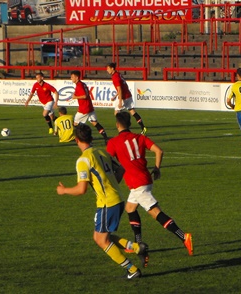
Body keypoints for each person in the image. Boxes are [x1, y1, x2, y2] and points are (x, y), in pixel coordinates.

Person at [55, 123, 147, 279]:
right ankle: (137, 247)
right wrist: (111, 183)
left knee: (101, 240)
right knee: (102, 237)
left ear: (76, 140)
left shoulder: (83, 160)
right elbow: (121, 169)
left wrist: (64, 191)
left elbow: (81, 189)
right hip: (117, 199)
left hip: (107, 203)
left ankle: (132, 270)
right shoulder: (102, 152)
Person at [107, 112, 194, 265]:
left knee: (155, 213)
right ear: (129, 124)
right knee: (130, 208)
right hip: (145, 179)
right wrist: (157, 168)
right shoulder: (140, 138)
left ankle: (183, 236)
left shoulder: (114, 142)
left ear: (117, 124)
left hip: (137, 183)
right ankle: (137, 242)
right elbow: (159, 151)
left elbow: (108, 161)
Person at [68, 70, 108, 142]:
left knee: (75, 124)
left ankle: (82, 137)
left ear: (77, 77)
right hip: (89, 107)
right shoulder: (82, 84)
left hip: (84, 108)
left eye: (72, 77)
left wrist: (75, 97)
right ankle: (105, 137)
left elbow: (84, 96)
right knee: (95, 122)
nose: (71, 78)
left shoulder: (79, 85)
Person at [107, 63, 147, 134]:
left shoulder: (115, 77)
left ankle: (123, 127)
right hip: (128, 95)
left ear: (112, 68)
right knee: (132, 111)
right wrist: (115, 96)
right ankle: (143, 128)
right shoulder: (118, 74)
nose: (107, 70)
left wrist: (119, 101)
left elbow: (120, 89)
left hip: (123, 97)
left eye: (108, 68)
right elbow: (121, 87)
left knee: (116, 113)